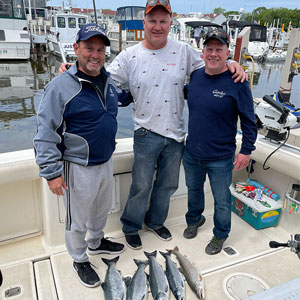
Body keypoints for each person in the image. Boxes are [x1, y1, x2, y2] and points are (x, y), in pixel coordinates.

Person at [59, 0, 247, 250]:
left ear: (170, 23)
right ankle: (131, 226)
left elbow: (214, 65)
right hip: (145, 132)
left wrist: (235, 64)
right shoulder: (129, 56)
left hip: (177, 134)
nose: (157, 26)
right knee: (141, 185)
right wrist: (72, 69)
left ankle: (156, 222)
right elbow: (100, 76)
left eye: (163, 21)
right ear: (144, 23)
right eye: (152, 21)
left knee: (168, 185)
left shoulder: (184, 51)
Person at [34, 23, 132, 288]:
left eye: (100, 49)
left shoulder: (109, 81)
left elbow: (122, 98)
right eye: (89, 48)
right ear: (76, 49)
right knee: (77, 219)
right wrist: (51, 173)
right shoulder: (60, 86)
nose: (95, 54)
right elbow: (46, 131)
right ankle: (78, 258)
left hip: (105, 161)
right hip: (77, 166)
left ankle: (97, 242)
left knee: (100, 210)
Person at [182, 29, 257, 255]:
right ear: (203, 52)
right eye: (209, 49)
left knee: (222, 200)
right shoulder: (195, 76)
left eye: (219, 49)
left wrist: (246, 150)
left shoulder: (238, 81)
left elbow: (249, 119)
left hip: (221, 157)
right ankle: (195, 219)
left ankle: (220, 234)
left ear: (227, 53)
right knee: (193, 191)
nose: (213, 54)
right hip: (192, 152)